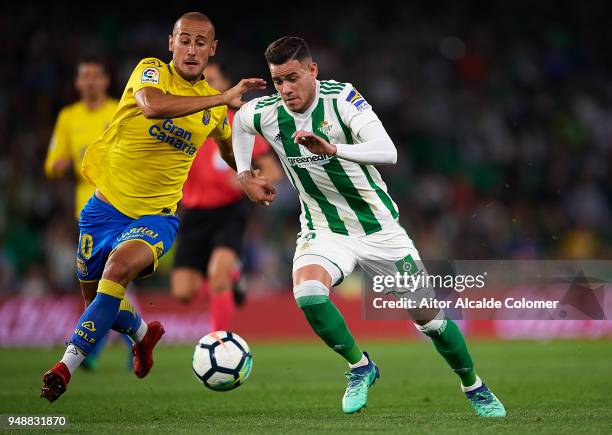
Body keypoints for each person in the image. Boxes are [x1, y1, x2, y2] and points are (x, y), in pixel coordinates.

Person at [232, 36, 506, 416]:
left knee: (430, 319)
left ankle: (473, 385)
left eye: (292, 78)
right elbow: (241, 122)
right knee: (309, 293)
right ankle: (360, 366)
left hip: (379, 230)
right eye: (278, 81)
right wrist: (244, 174)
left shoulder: (342, 100)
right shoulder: (267, 112)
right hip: (323, 229)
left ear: (312, 70)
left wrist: (333, 148)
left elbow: (387, 150)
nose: (285, 89)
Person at [40, 12, 269, 403]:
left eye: (201, 43)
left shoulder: (215, 113)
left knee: (116, 271)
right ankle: (143, 335)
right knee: (97, 298)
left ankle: (64, 367)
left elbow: (231, 149)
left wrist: (246, 176)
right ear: (171, 43)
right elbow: (152, 107)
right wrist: (220, 96)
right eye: (185, 40)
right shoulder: (151, 72)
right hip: (103, 208)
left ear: (213, 49)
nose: (192, 49)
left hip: (156, 216)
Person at [171, 62, 281, 331]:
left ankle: (219, 342)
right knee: (183, 291)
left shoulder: (238, 123)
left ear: (225, 85)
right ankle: (234, 274)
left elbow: (272, 170)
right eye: (201, 80)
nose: (206, 85)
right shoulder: (182, 122)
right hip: (193, 212)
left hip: (228, 212)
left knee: (217, 278)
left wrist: (247, 177)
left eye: (213, 79)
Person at [44, 58, 133, 371]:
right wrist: (57, 166)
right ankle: (129, 342)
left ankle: (96, 349)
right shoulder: (68, 117)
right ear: (77, 83)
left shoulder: (119, 109)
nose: (91, 81)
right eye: (85, 77)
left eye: (96, 76)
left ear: (106, 80)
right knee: (95, 284)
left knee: (115, 278)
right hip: (86, 212)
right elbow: (53, 159)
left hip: (121, 207)